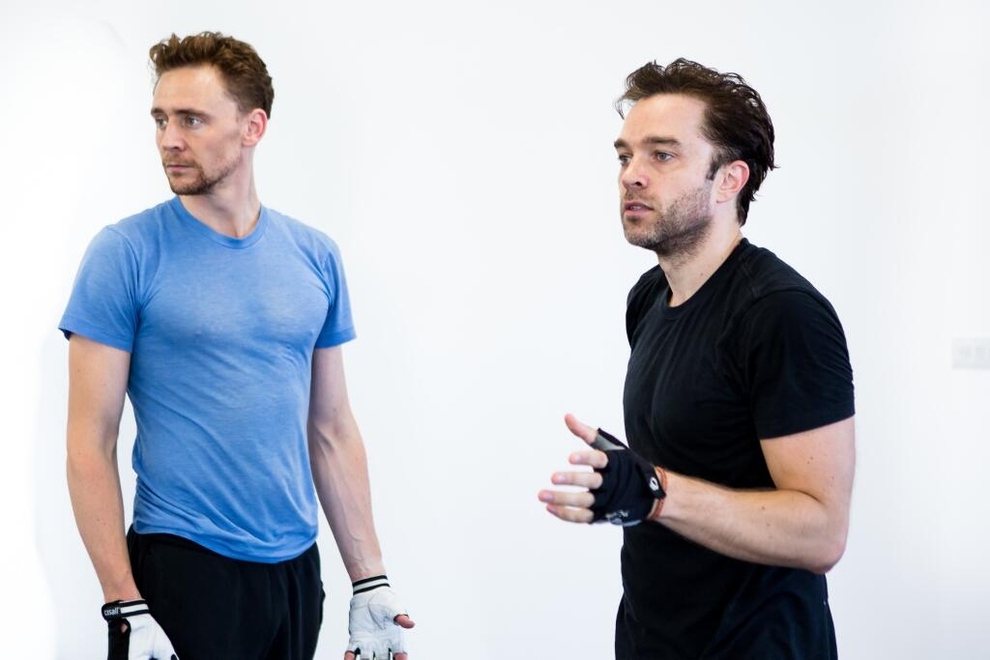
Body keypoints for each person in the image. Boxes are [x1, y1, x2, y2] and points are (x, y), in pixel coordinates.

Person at [61, 31, 414, 660]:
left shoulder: (314, 256)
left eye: (192, 119)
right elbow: (90, 441)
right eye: (161, 119)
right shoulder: (125, 253)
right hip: (183, 567)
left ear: (253, 127)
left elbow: (331, 428)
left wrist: (369, 580)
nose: (169, 139)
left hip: (296, 571)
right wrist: (123, 602)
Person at [538, 58, 855, 659]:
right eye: (625, 156)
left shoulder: (782, 313)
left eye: (662, 155)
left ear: (730, 179)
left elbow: (821, 534)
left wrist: (654, 490)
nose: (632, 175)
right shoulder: (648, 298)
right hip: (652, 639)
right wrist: (631, 479)